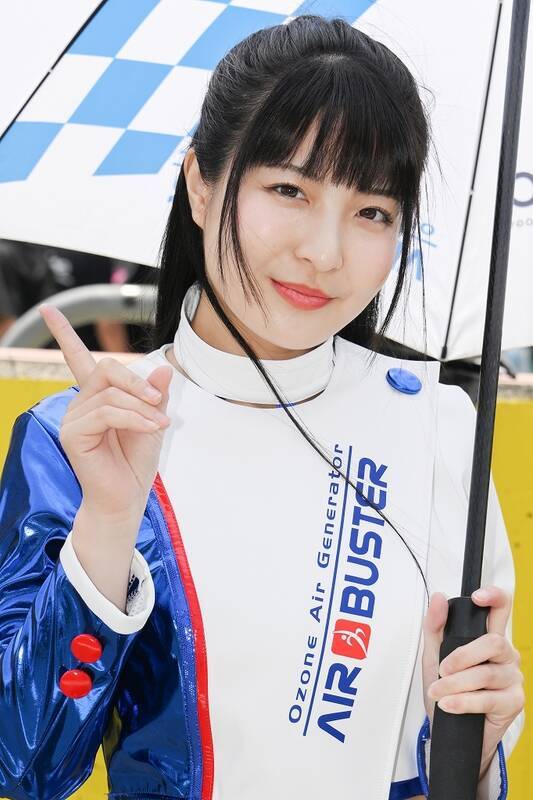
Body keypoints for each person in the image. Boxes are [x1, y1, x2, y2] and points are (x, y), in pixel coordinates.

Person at [0, 14, 524, 800]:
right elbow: (24, 766)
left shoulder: (441, 428)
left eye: (373, 212)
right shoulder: (83, 437)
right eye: (288, 190)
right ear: (200, 185)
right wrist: (107, 523)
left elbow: (453, 769)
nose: (325, 251)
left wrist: (473, 756)